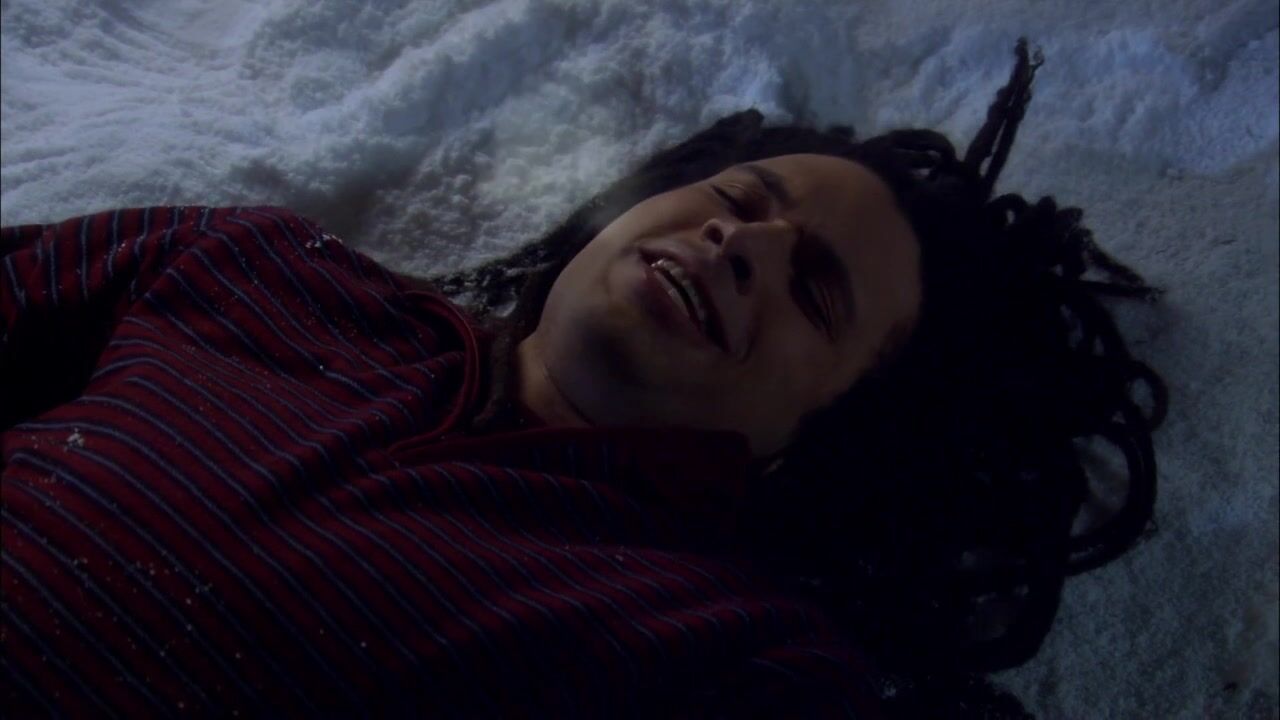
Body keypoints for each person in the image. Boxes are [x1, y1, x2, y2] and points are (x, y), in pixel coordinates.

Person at [0, 38, 1165, 718]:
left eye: (812, 290)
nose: (741, 244)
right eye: (737, 200)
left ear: (826, 439)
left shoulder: (722, 652)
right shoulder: (254, 268)